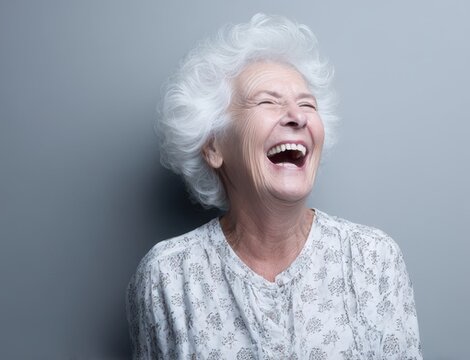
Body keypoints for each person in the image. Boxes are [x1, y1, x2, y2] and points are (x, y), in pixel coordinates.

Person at [126, 14, 422, 359]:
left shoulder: (373, 259)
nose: (298, 116)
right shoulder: (167, 276)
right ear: (213, 146)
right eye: (267, 101)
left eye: (307, 104)